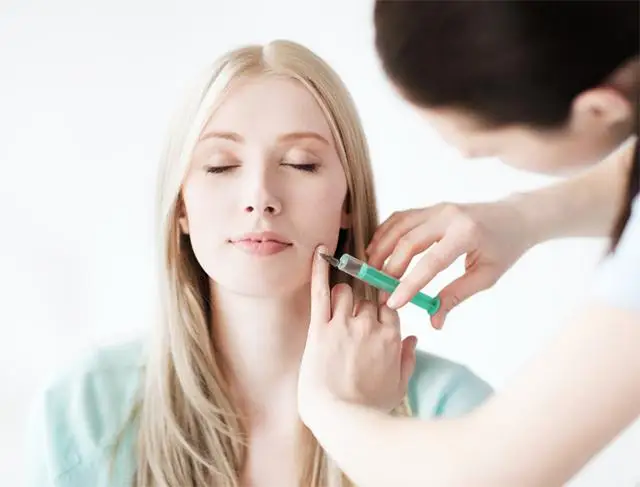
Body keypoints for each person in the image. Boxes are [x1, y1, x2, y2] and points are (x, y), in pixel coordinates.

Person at [26, 40, 492, 487]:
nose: (260, 197)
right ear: (181, 206)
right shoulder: (81, 414)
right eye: (221, 166)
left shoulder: (456, 416)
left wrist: (366, 431)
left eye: (301, 164)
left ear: (348, 203)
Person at [297, 2, 640, 487]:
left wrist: (325, 404)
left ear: (600, 109)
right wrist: (522, 216)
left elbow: (482, 476)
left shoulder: (446, 393)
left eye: (488, 149)